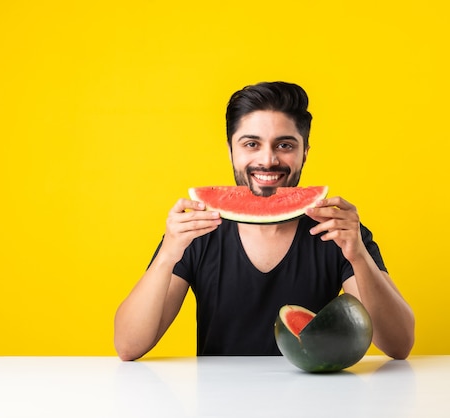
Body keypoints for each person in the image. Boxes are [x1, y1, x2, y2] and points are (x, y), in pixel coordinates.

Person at [114, 81, 415, 361]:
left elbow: (399, 345)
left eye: (285, 145)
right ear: (230, 151)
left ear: (305, 153)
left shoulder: (336, 231)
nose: (268, 160)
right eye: (251, 144)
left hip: (315, 403)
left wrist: (359, 255)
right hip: (217, 405)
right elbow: (128, 346)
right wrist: (168, 254)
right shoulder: (198, 233)